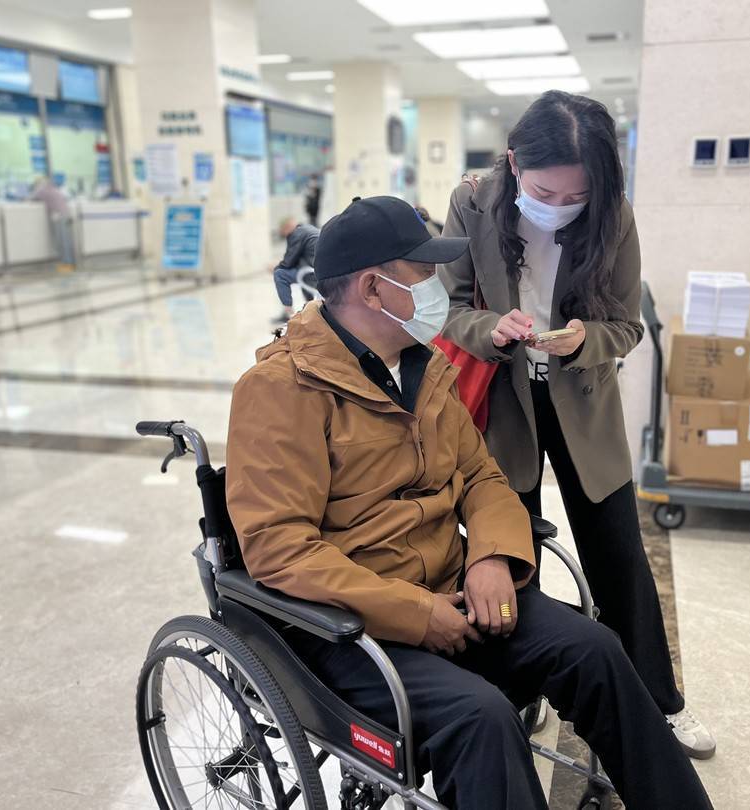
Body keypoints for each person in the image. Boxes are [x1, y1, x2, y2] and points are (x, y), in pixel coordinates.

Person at [225, 195, 713, 810]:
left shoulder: (423, 368)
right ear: (373, 289)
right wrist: (414, 612)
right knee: (481, 718)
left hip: (454, 587)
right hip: (346, 630)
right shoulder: (280, 389)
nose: (438, 287)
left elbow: (482, 476)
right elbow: (279, 549)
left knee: (595, 650)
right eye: (423, 272)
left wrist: (492, 558)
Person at [438, 91, 716, 759]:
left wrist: (585, 338)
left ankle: (659, 703)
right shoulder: (473, 201)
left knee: (619, 555)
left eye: (576, 197)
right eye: (544, 192)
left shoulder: (614, 215)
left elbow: (627, 325)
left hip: (584, 400)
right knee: (513, 554)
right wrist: (489, 329)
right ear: (514, 163)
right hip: (503, 402)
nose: (560, 207)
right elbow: (445, 308)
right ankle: (519, 693)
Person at [271, 217, 320, 324]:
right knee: (300, 271)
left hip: (311, 273)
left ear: (287, 227)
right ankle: (310, 310)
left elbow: (288, 262)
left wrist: (275, 267)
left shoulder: (296, 234)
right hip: (318, 270)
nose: (285, 236)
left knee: (280, 274)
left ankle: (288, 313)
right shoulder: (307, 229)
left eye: (283, 232)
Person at [29, 176, 74, 271]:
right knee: (67, 240)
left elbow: (31, 199)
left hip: (59, 217)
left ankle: (67, 265)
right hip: (66, 215)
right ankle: (69, 263)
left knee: (62, 241)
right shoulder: (55, 189)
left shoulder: (41, 190)